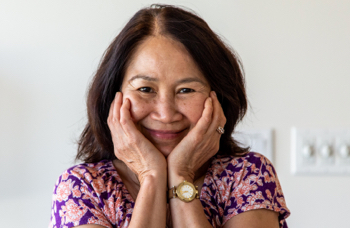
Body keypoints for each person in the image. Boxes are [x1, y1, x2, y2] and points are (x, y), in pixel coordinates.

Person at [49, 4, 290, 228]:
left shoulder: (247, 174)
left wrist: (181, 174)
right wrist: (151, 175)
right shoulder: (82, 187)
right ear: (114, 96)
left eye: (186, 90)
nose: (165, 114)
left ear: (218, 97)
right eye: (145, 89)